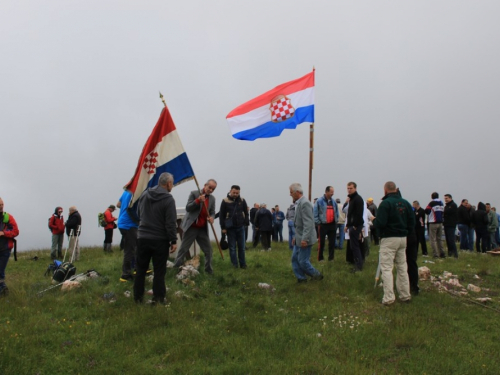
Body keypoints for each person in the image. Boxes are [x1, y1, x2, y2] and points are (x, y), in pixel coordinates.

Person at [133, 172, 177, 304]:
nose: (172, 186)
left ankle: (138, 298)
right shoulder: (168, 199)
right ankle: (158, 299)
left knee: (140, 269)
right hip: (159, 239)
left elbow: (138, 213)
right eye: (172, 183)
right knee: (159, 271)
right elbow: (170, 222)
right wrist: (173, 240)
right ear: (168, 183)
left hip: (142, 238)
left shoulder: (145, 194)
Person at [372, 182, 414, 305]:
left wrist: (374, 221)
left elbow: (381, 222)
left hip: (389, 237)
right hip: (403, 237)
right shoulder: (405, 203)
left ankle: (389, 298)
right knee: (402, 267)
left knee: (386, 268)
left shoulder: (385, 204)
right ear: (395, 189)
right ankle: (405, 295)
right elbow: (412, 222)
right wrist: (406, 232)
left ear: (385, 190)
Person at [173, 179, 217, 274]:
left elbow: (212, 212)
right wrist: (197, 201)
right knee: (184, 249)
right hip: (191, 227)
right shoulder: (194, 193)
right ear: (205, 185)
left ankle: (208, 271)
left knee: (208, 250)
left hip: (202, 228)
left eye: (213, 189)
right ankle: (175, 268)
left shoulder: (212, 199)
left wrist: (212, 218)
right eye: (209, 187)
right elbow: (188, 208)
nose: (210, 190)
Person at [289, 183, 323, 283]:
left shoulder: (305, 203)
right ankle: (301, 278)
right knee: (295, 258)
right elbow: (298, 224)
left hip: (305, 238)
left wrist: (304, 239)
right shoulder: (298, 203)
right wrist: (296, 237)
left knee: (303, 261)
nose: (290, 194)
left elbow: (308, 223)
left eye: (291, 192)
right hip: (299, 237)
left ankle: (317, 275)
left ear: (297, 192)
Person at [219, 185, 249, 269]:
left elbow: (246, 213)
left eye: (237, 193)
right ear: (230, 191)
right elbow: (222, 215)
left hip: (241, 227)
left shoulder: (242, 200)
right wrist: (223, 228)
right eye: (234, 192)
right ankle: (234, 265)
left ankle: (243, 265)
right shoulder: (225, 201)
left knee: (242, 248)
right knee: (232, 248)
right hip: (230, 228)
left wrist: (246, 221)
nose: (235, 194)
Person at [117, 191, 138, 282]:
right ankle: (125, 275)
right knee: (129, 250)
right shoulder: (136, 192)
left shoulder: (127, 191)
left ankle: (137, 269)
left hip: (123, 223)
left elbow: (118, 204)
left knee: (135, 247)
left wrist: (124, 207)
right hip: (129, 224)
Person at [313, 186, 339, 262]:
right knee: (322, 242)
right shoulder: (319, 201)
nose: (332, 193)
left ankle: (331, 258)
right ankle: (320, 258)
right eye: (331, 192)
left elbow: (336, 212)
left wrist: (336, 221)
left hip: (332, 225)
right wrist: (318, 222)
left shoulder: (333, 202)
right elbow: (315, 212)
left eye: (333, 192)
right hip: (323, 225)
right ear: (326, 192)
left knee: (332, 242)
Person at [0, 198, 19, 296]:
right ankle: (3, 289)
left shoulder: (8, 218)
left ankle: (3, 290)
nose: (1, 206)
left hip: (5, 249)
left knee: (0, 270)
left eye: (2, 204)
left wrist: (3, 233)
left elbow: (15, 232)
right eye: (0, 204)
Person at [344, 182, 364, 272]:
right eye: (348, 188)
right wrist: (347, 225)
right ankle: (357, 264)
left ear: (355, 188)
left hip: (356, 226)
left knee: (355, 246)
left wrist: (355, 226)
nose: (349, 190)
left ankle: (359, 266)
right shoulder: (351, 199)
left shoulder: (358, 199)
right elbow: (349, 213)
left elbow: (359, 214)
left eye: (351, 188)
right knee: (353, 246)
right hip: (351, 225)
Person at [425, 192, 445, 258]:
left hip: (433, 222)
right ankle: (442, 253)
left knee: (433, 239)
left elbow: (427, 211)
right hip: (440, 222)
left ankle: (435, 254)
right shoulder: (441, 203)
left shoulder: (431, 203)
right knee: (439, 239)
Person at [443, 194, 458, 258]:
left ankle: (455, 254)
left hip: (451, 224)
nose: (445, 199)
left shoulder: (453, 205)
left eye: (447, 198)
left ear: (450, 198)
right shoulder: (446, 206)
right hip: (446, 224)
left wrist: (445, 212)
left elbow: (447, 212)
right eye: (445, 198)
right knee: (448, 240)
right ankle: (450, 253)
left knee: (451, 240)